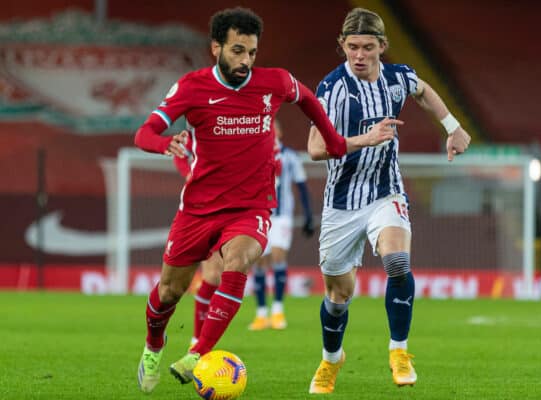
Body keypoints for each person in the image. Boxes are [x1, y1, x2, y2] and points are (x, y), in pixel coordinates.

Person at [134, 7, 400, 394]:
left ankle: (197, 353)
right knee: (168, 293)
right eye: (238, 51)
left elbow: (307, 98)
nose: (246, 61)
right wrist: (163, 142)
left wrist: (335, 141)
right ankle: (153, 346)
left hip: (250, 208)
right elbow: (146, 131)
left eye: (252, 53)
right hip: (198, 210)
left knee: (239, 261)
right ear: (216, 48)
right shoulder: (191, 88)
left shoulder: (273, 83)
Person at [306, 8, 471, 394]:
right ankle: (332, 360)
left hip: (386, 191)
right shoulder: (332, 89)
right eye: (352, 48)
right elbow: (314, 148)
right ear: (342, 47)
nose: (359, 56)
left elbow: (423, 90)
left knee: (398, 262)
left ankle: (399, 351)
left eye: (367, 47)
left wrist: (453, 127)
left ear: (382, 46)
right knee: (337, 295)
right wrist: (366, 138)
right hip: (342, 202)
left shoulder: (397, 78)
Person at [248, 120, 315, 331]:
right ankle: (261, 313)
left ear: (280, 130)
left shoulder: (290, 156)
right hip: (259, 214)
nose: (271, 131)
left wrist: (308, 214)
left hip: (281, 215)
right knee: (259, 260)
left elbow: (302, 187)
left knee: (277, 256)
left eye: (274, 127)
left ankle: (277, 310)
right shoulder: (254, 153)